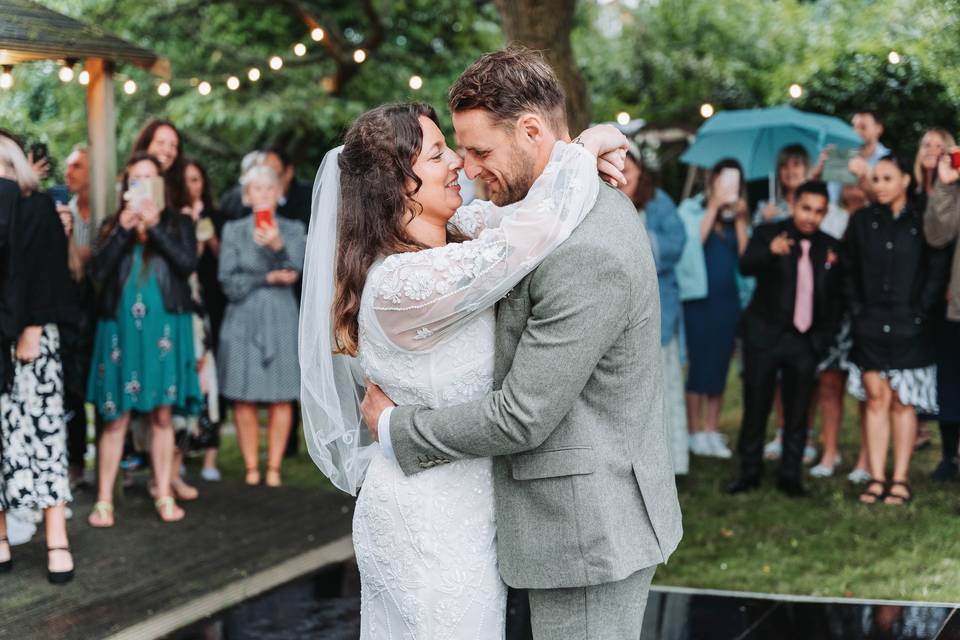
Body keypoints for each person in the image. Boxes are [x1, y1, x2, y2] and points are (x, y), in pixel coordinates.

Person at [347, 49, 681, 639]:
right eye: (450, 153)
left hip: (585, 527)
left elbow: (522, 415)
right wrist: (583, 149)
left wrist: (396, 427)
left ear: (530, 131)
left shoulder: (581, 247)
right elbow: (517, 230)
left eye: (477, 151)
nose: (467, 168)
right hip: (451, 517)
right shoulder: (511, 230)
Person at [87, 153, 201, 526]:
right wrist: (123, 229)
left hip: (164, 330)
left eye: (150, 179)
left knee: (163, 414)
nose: (142, 186)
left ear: (161, 185)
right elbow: (97, 275)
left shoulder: (179, 222)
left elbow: (186, 266)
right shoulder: (111, 226)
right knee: (115, 418)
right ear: (125, 189)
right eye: (135, 179)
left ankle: (163, 492)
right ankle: (104, 499)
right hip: (120, 331)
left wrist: (154, 228)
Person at [726, 181, 844, 497]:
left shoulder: (830, 246)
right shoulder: (768, 233)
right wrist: (769, 252)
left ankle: (790, 476)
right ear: (793, 204)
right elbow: (745, 265)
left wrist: (822, 339)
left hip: (805, 341)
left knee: (798, 409)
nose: (811, 217)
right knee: (756, 406)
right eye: (806, 208)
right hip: (764, 336)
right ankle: (749, 472)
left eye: (819, 211)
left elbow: (837, 298)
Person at [844, 154, 950, 505]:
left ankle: (900, 479)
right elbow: (848, 271)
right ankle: (877, 478)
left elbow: (937, 268)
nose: (880, 186)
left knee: (904, 403)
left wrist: (921, 311)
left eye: (888, 178)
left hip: (911, 326)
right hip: (871, 326)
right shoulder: (861, 221)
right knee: (876, 399)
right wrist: (859, 313)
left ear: (905, 180)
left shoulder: (922, 220)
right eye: (876, 179)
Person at [0, 132, 76, 583]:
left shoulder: (38, 206)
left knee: (44, 436)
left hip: (33, 339)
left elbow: (49, 273)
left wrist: (30, 329)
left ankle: (56, 537)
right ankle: (2, 537)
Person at [217, 165, 305, 487]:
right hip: (242, 317)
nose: (265, 193)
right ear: (246, 195)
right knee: (243, 396)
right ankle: (252, 467)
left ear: (279, 194)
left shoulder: (294, 229)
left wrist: (278, 245)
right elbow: (228, 281)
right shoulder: (232, 231)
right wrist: (266, 277)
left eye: (270, 187)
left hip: (282, 315)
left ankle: (274, 468)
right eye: (257, 188)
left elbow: (299, 270)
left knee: (282, 396)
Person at [618, 142, 689, 474]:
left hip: (659, 311)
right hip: (621, 314)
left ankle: (671, 462)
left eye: (627, 173)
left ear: (641, 173)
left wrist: (637, 237)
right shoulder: (605, 204)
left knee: (663, 387)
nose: (621, 179)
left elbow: (675, 245)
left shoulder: (659, 204)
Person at [676, 159, 750, 459]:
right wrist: (714, 207)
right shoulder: (691, 209)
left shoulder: (739, 216)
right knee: (698, 364)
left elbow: (747, 260)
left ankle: (710, 429)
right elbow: (691, 246)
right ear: (712, 178)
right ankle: (694, 431)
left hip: (728, 300)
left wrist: (743, 221)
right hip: (698, 299)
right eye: (723, 177)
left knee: (720, 364)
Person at [809, 185, 868, 479]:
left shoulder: (875, 217)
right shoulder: (829, 215)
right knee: (829, 385)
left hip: (867, 314)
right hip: (833, 315)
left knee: (867, 392)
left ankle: (866, 459)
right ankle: (830, 451)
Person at [54, 145, 97, 487]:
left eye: (78, 166)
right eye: (68, 167)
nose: (69, 173)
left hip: (104, 309)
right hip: (73, 310)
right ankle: (76, 460)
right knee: (73, 388)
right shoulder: (61, 211)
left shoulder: (104, 211)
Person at [183, 158, 227, 482]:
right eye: (186, 180)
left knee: (212, 377)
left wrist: (205, 227)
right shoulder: (172, 219)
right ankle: (182, 449)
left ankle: (211, 453)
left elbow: (221, 257)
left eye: (196, 179)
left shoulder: (216, 216)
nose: (191, 185)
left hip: (212, 304)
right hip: (185, 304)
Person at [923, 143, 960, 482]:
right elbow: (936, 235)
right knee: (951, 384)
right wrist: (946, 184)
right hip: (956, 308)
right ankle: (951, 456)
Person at [130, 119, 190, 212]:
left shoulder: (180, 189)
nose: (167, 150)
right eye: (160, 143)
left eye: (173, 145)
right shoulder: (131, 185)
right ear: (146, 145)